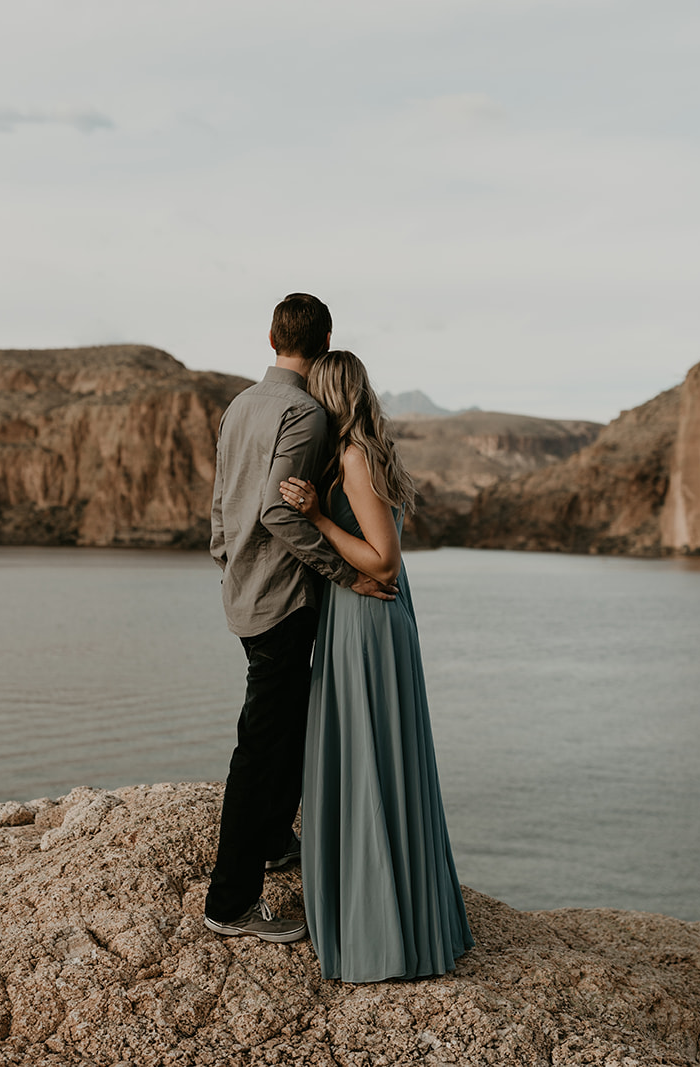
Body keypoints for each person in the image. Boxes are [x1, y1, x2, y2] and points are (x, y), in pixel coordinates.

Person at [204, 295, 398, 943]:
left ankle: (270, 840)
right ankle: (230, 902)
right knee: (264, 747)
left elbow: (220, 504)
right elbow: (276, 511)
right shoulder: (305, 413)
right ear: (326, 340)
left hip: (245, 592)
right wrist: (351, 576)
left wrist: (225, 559)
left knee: (279, 727)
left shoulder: (239, 405)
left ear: (270, 337)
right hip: (283, 599)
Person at [278, 349, 475, 982]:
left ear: (329, 396)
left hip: (367, 620)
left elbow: (382, 562)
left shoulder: (357, 458)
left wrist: (314, 519)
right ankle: (394, 918)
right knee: (373, 761)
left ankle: (382, 935)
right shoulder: (352, 454)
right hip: (357, 620)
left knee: (369, 762)